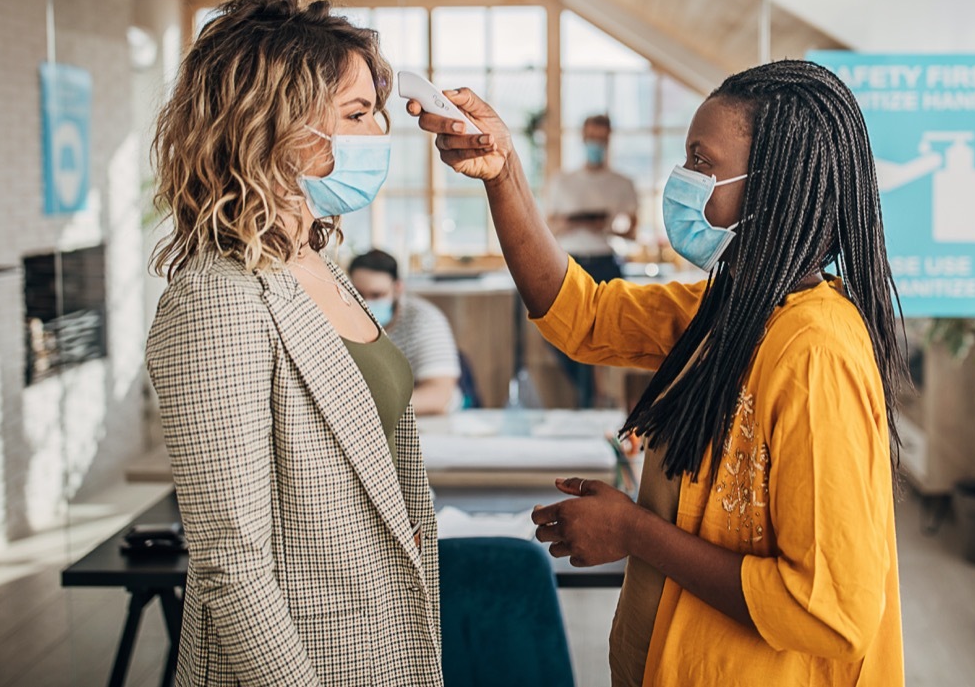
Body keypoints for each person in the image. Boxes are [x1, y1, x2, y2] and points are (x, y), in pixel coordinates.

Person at [408, 60, 906, 686]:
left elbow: (829, 611)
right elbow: (581, 315)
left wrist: (635, 532)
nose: (684, 180)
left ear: (774, 184)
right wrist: (504, 174)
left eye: (702, 162)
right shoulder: (730, 310)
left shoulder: (816, 352)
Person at [145, 0, 441, 687]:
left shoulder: (315, 259)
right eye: (357, 114)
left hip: (378, 645)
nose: (379, 135)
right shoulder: (215, 297)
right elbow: (231, 564)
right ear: (272, 122)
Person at [542, 114, 639, 407]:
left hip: (605, 263)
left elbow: (632, 232)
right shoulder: (562, 182)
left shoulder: (622, 184)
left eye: (601, 138)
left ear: (608, 140)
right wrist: (573, 222)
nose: (595, 143)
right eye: (591, 137)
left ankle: (597, 399)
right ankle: (590, 395)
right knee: (558, 331)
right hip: (569, 263)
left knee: (606, 334)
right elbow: (546, 228)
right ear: (583, 138)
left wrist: (605, 225)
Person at [348, 249, 463, 415]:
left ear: (398, 288)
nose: (366, 303)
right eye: (358, 295)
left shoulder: (425, 320)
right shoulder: (344, 321)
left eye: (377, 295)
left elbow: (439, 395)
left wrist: (366, 409)